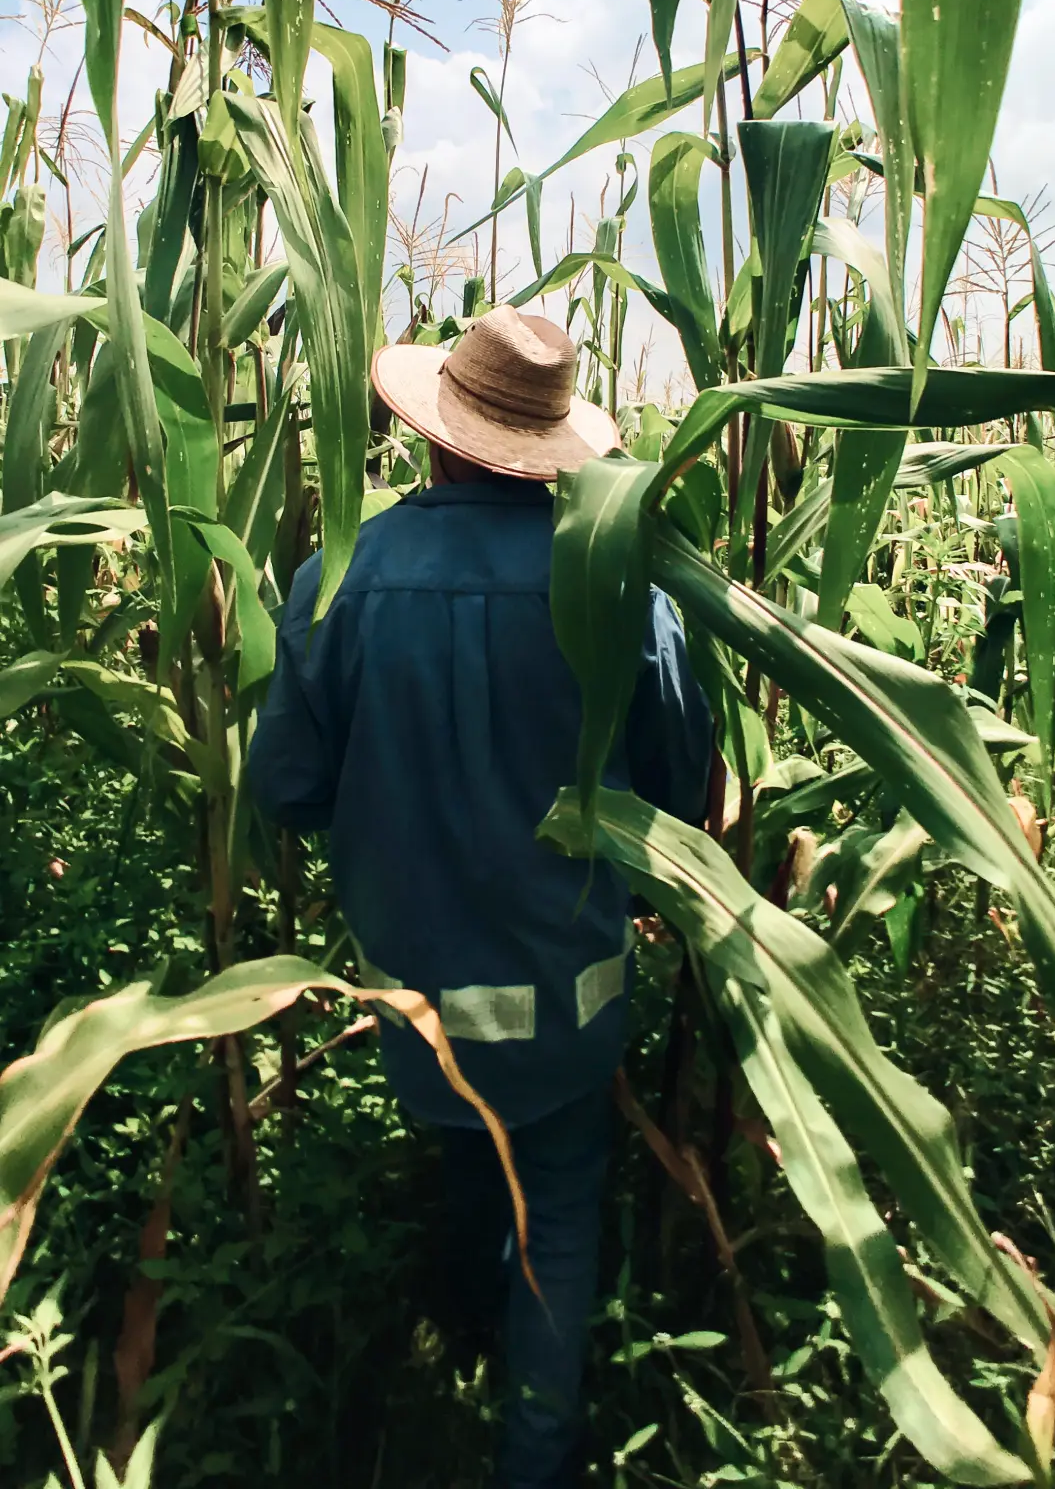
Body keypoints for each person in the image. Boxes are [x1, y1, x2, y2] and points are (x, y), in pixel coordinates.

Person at [248, 304, 713, 1489]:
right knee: (555, 1217)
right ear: (554, 445)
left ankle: (451, 1341)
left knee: (467, 1150)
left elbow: (288, 786)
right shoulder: (616, 588)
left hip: (423, 1015)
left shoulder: (336, 579)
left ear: (434, 433)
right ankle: (535, 1456)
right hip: (570, 1003)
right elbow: (681, 795)